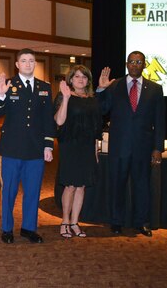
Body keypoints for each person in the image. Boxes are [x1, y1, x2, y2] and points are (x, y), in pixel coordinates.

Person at [97, 51, 165, 237]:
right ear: (127, 64)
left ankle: (141, 222)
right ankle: (116, 222)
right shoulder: (114, 86)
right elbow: (102, 109)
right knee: (117, 185)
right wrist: (101, 90)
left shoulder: (155, 89)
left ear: (144, 65)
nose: (135, 64)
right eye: (132, 62)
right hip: (119, 147)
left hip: (143, 148)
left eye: (139, 62)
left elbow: (159, 121)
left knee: (142, 186)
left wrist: (158, 148)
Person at [0, 48, 55, 244]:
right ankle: (7, 228)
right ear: (17, 64)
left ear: (34, 64)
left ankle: (29, 228)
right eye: (24, 61)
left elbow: (47, 119)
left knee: (33, 191)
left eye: (31, 60)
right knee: (9, 191)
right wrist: (1, 96)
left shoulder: (44, 87)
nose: (28, 64)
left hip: (35, 150)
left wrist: (48, 145)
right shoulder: (8, 85)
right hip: (11, 149)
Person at [54, 65, 102, 238]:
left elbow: (97, 126)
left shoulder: (93, 100)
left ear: (88, 80)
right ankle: (65, 221)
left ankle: (75, 222)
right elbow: (59, 121)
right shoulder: (63, 96)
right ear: (71, 80)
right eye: (77, 77)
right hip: (70, 145)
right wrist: (66, 98)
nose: (80, 80)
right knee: (70, 185)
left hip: (87, 146)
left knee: (81, 186)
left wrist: (96, 150)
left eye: (84, 77)